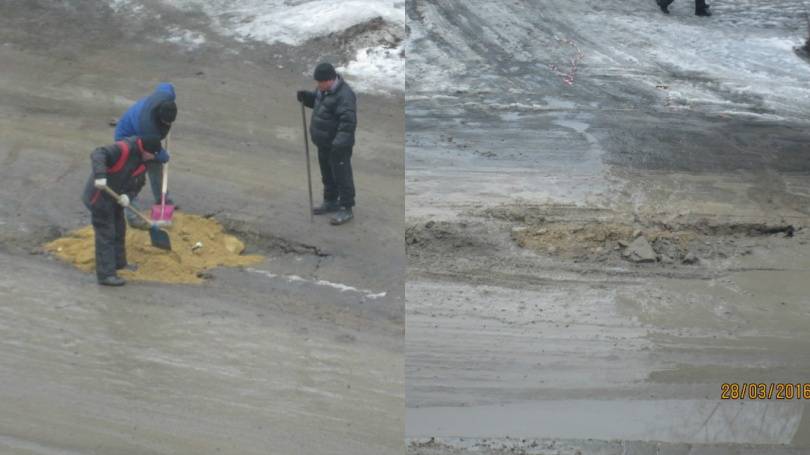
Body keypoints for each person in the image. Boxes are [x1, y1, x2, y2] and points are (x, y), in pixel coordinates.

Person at [81, 136, 162, 286]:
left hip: (116, 199)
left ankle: (119, 263)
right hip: (98, 197)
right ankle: (106, 275)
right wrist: (100, 176)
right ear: (146, 151)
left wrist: (128, 196)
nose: (154, 159)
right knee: (106, 233)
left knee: (119, 229)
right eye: (153, 155)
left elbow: (139, 183)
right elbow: (98, 153)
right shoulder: (124, 149)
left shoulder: (144, 163)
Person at [296, 63, 357, 225]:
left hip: (338, 146)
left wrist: (340, 143)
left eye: (320, 82)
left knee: (342, 176)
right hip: (323, 142)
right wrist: (306, 97)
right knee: (327, 174)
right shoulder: (323, 90)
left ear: (330, 80)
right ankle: (330, 201)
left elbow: (348, 123)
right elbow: (320, 106)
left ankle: (346, 208)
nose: (318, 85)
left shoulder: (345, 95)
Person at [114, 83, 177, 228]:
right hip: (127, 140)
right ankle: (134, 217)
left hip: (144, 137)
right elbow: (158, 154)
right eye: (166, 122)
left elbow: (166, 86)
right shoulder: (149, 128)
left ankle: (163, 205)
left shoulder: (166, 96)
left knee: (157, 172)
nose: (169, 124)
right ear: (159, 117)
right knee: (133, 177)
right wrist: (163, 156)